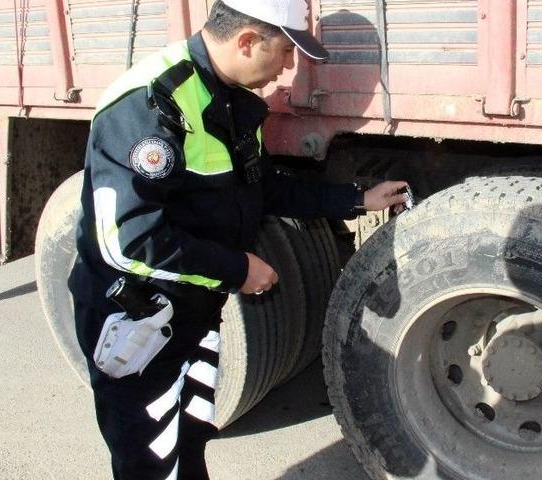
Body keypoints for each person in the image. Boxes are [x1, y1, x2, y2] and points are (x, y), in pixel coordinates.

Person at [67, 0, 408, 478]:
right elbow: (129, 239)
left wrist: (354, 199)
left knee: (190, 440)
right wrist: (237, 269)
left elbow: (260, 185)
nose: (290, 67)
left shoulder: (229, 99)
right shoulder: (152, 106)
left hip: (193, 310)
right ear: (247, 40)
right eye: (285, 52)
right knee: (151, 456)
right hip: (139, 319)